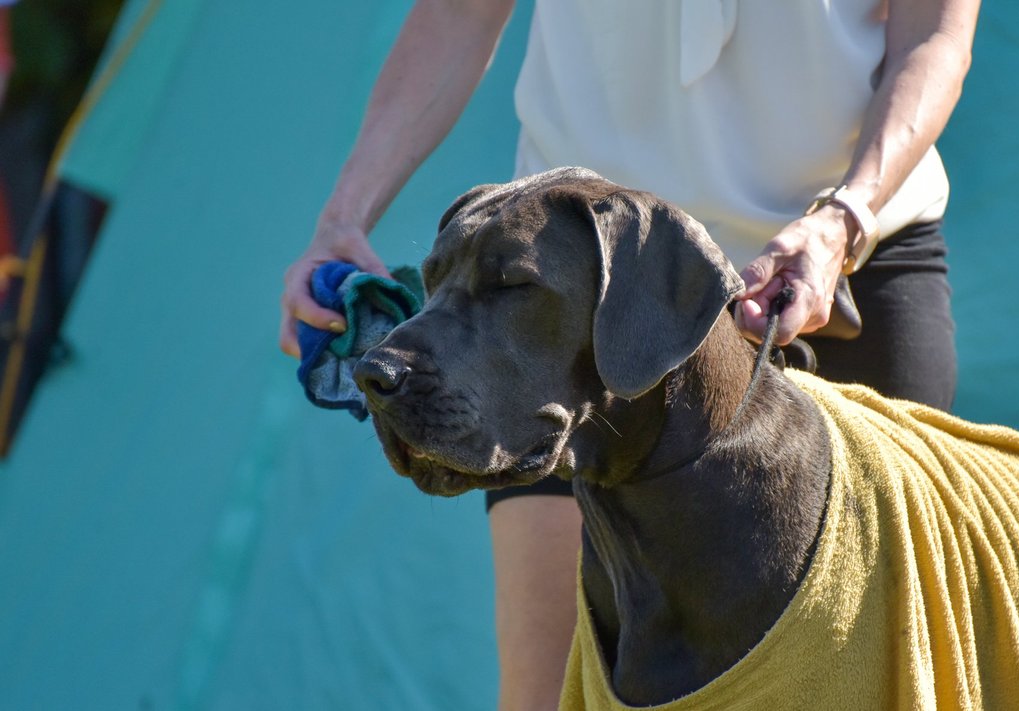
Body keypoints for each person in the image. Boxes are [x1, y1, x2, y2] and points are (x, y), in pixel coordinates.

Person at [279, 1, 979, 708]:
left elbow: (935, 36)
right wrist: (342, 220)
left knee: (877, 681)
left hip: (841, 264)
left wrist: (843, 220)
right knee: (548, 696)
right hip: (569, 293)